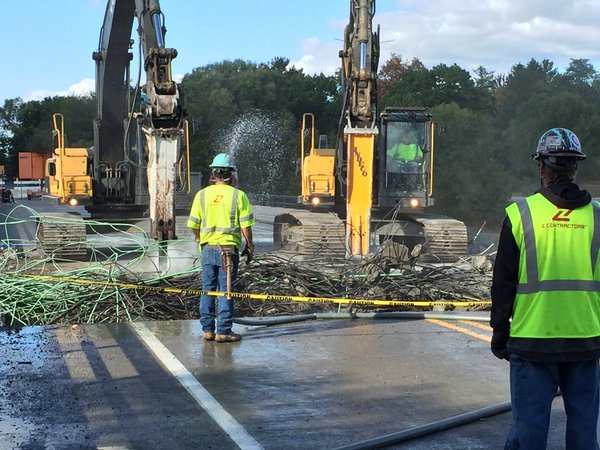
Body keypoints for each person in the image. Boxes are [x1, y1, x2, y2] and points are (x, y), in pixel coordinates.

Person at [491, 127, 600, 449]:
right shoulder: (596, 217)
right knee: (584, 432)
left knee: (529, 431)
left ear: (542, 166)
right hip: (585, 340)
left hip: (533, 340)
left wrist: (499, 331)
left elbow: (504, 282)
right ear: (574, 167)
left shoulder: (521, 214)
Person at [187, 153, 255, 343]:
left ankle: (207, 330)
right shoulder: (238, 196)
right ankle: (223, 331)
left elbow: (193, 225)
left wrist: (202, 239)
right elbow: (246, 227)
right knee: (226, 290)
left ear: (214, 174)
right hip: (228, 251)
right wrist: (250, 247)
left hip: (208, 249)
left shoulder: (202, 195)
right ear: (231, 175)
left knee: (208, 288)